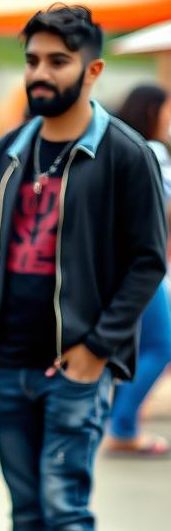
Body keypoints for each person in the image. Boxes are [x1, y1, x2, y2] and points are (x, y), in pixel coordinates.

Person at [0, 5, 167, 531]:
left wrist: (98, 348)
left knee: (64, 506)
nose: (41, 73)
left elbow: (148, 262)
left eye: (57, 61)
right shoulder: (14, 148)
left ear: (94, 69)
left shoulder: (126, 154)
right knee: (26, 511)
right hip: (9, 362)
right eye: (33, 60)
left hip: (75, 367)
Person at [104, 85, 171, 457]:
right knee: (161, 344)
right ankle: (124, 425)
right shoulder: (152, 151)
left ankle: (122, 419)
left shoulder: (113, 148)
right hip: (142, 265)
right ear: (151, 112)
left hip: (116, 264)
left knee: (142, 344)